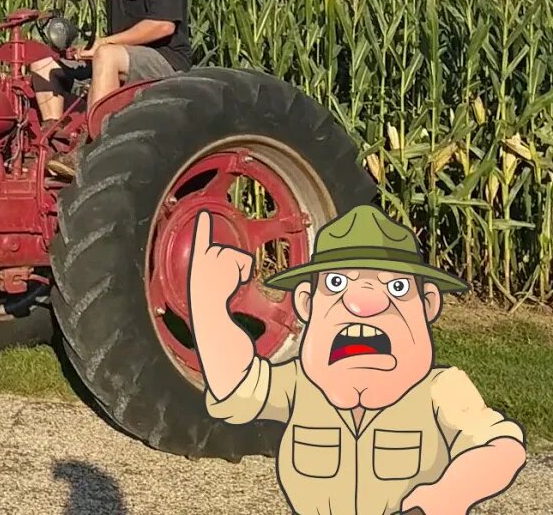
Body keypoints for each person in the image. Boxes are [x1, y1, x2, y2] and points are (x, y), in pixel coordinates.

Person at [191, 204, 527, 515]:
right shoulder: (299, 386)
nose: (362, 304)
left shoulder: (440, 390)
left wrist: (450, 492)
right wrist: (208, 307)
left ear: (427, 304)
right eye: (337, 284)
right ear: (306, 303)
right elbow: (236, 383)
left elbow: (501, 445)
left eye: (396, 288)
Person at [32, 0, 193, 177]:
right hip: (119, 53)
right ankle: (54, 140)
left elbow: (162, 25)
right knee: (41, 60)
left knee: (106, 55)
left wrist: (104, 42)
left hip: (164, 60)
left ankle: (90, 149)